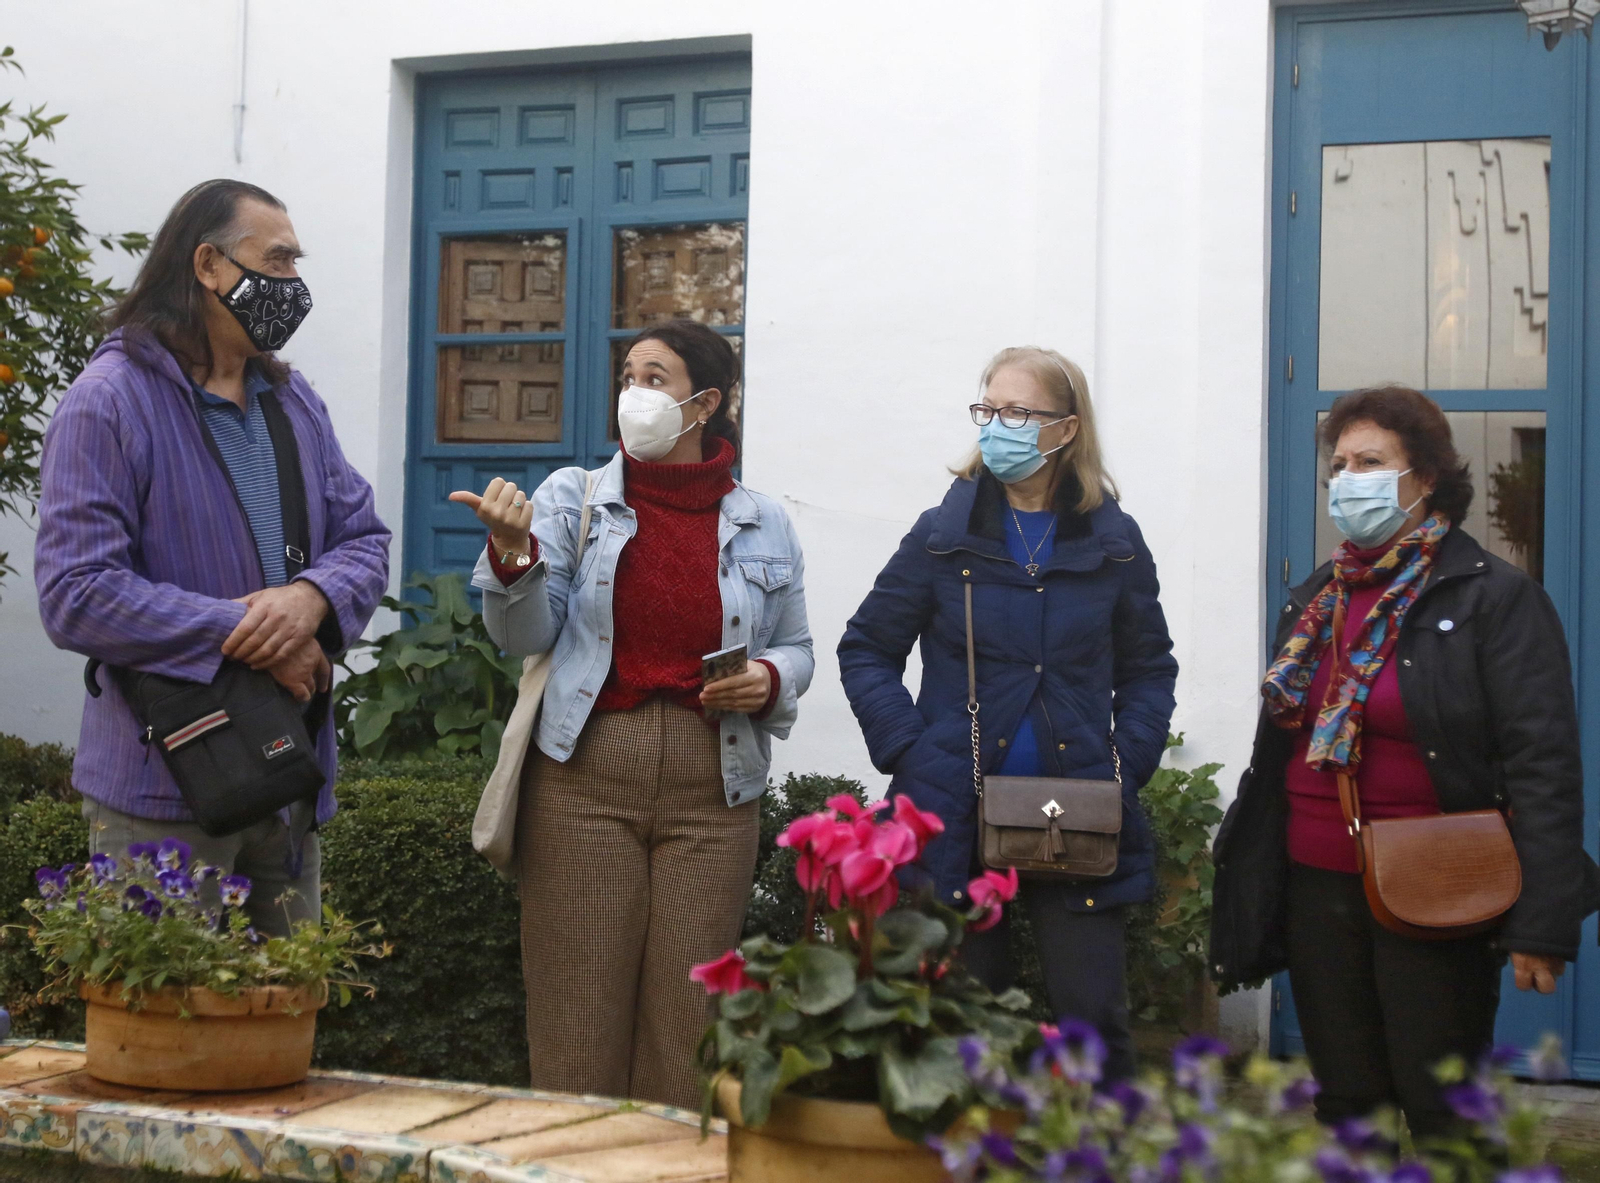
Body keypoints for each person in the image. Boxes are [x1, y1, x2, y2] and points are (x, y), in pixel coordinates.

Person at [1210, 385, 1600, 1136]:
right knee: (1347, 1104)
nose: (1348, 479)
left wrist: (1542, 923)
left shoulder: (1494, 598)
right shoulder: (1318, 598)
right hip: (1316, 882)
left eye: (1371, 462)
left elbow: (1544, 765)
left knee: (1444, 1109)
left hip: (1437, 886)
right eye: (1340, 465)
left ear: (1424, 477)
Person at [454, 318, 812, 1109]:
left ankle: (666, 1162)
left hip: (714, 796)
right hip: (583, 785)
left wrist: (766, 678)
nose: (633, 394)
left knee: (688, 1030)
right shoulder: (571, 497)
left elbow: (797, 648)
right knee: (576, 1023)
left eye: (656, 379)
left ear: (705, 403)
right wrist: (512, 555)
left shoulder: (765, 520)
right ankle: (573, 1162)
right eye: (629, 377)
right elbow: (523, 635)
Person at [34, 179, 390, 935]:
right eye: (278, 260)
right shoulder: (109, 401)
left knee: (290, 1002)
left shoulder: (294, 402)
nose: (292, 282)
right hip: (164, 793)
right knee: (167, 1008)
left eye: (295, 263)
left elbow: (364, 538)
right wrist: (255, 637)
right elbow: (76, 591)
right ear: (207, 265)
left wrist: (310, 600)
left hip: (287, 777)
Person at [837, 345, 1177, 1082]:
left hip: (1078, 812)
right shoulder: (942, 534)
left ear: (1065, 428)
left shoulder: (1114, 543)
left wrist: (1127, 764)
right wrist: (911, 750)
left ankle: (1097, 1145)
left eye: (1018, 412)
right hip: (952, 817)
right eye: (988, 409)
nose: (998, 426)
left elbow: (1149, 669)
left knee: (1094, 1029)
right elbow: (866, 648)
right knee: (959, 1030)